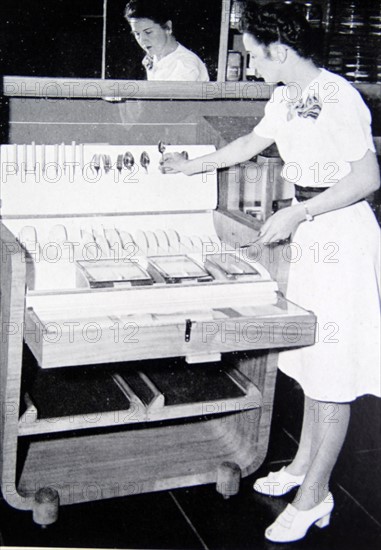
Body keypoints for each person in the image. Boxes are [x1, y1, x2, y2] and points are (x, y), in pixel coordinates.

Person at [161, 1, 381, 544]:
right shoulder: (285, 95)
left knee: (334, 372)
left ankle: (316, 497)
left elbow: (369, 177)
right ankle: (306, 466)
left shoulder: (339, 96)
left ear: (280, 51)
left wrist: (299, 212)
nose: (252, 67)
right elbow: (253, 142)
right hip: (310, 231)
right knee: (309, 356)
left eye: (255, 57)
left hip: (342, 234)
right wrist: (191, 165)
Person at [124, 0, 209, 81]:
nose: (142, 41)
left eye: (148, 32)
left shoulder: (185, 65)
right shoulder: (154, 57)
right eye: (137, 34)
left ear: (168, 27)